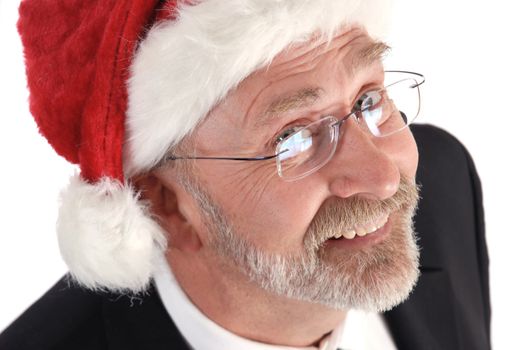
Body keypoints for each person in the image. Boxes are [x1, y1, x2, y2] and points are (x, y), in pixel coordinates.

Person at [0, 0, 490, 349]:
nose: (383, 176)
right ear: (168, 207)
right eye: (293, 138)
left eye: (367, 100)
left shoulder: (445, 186)